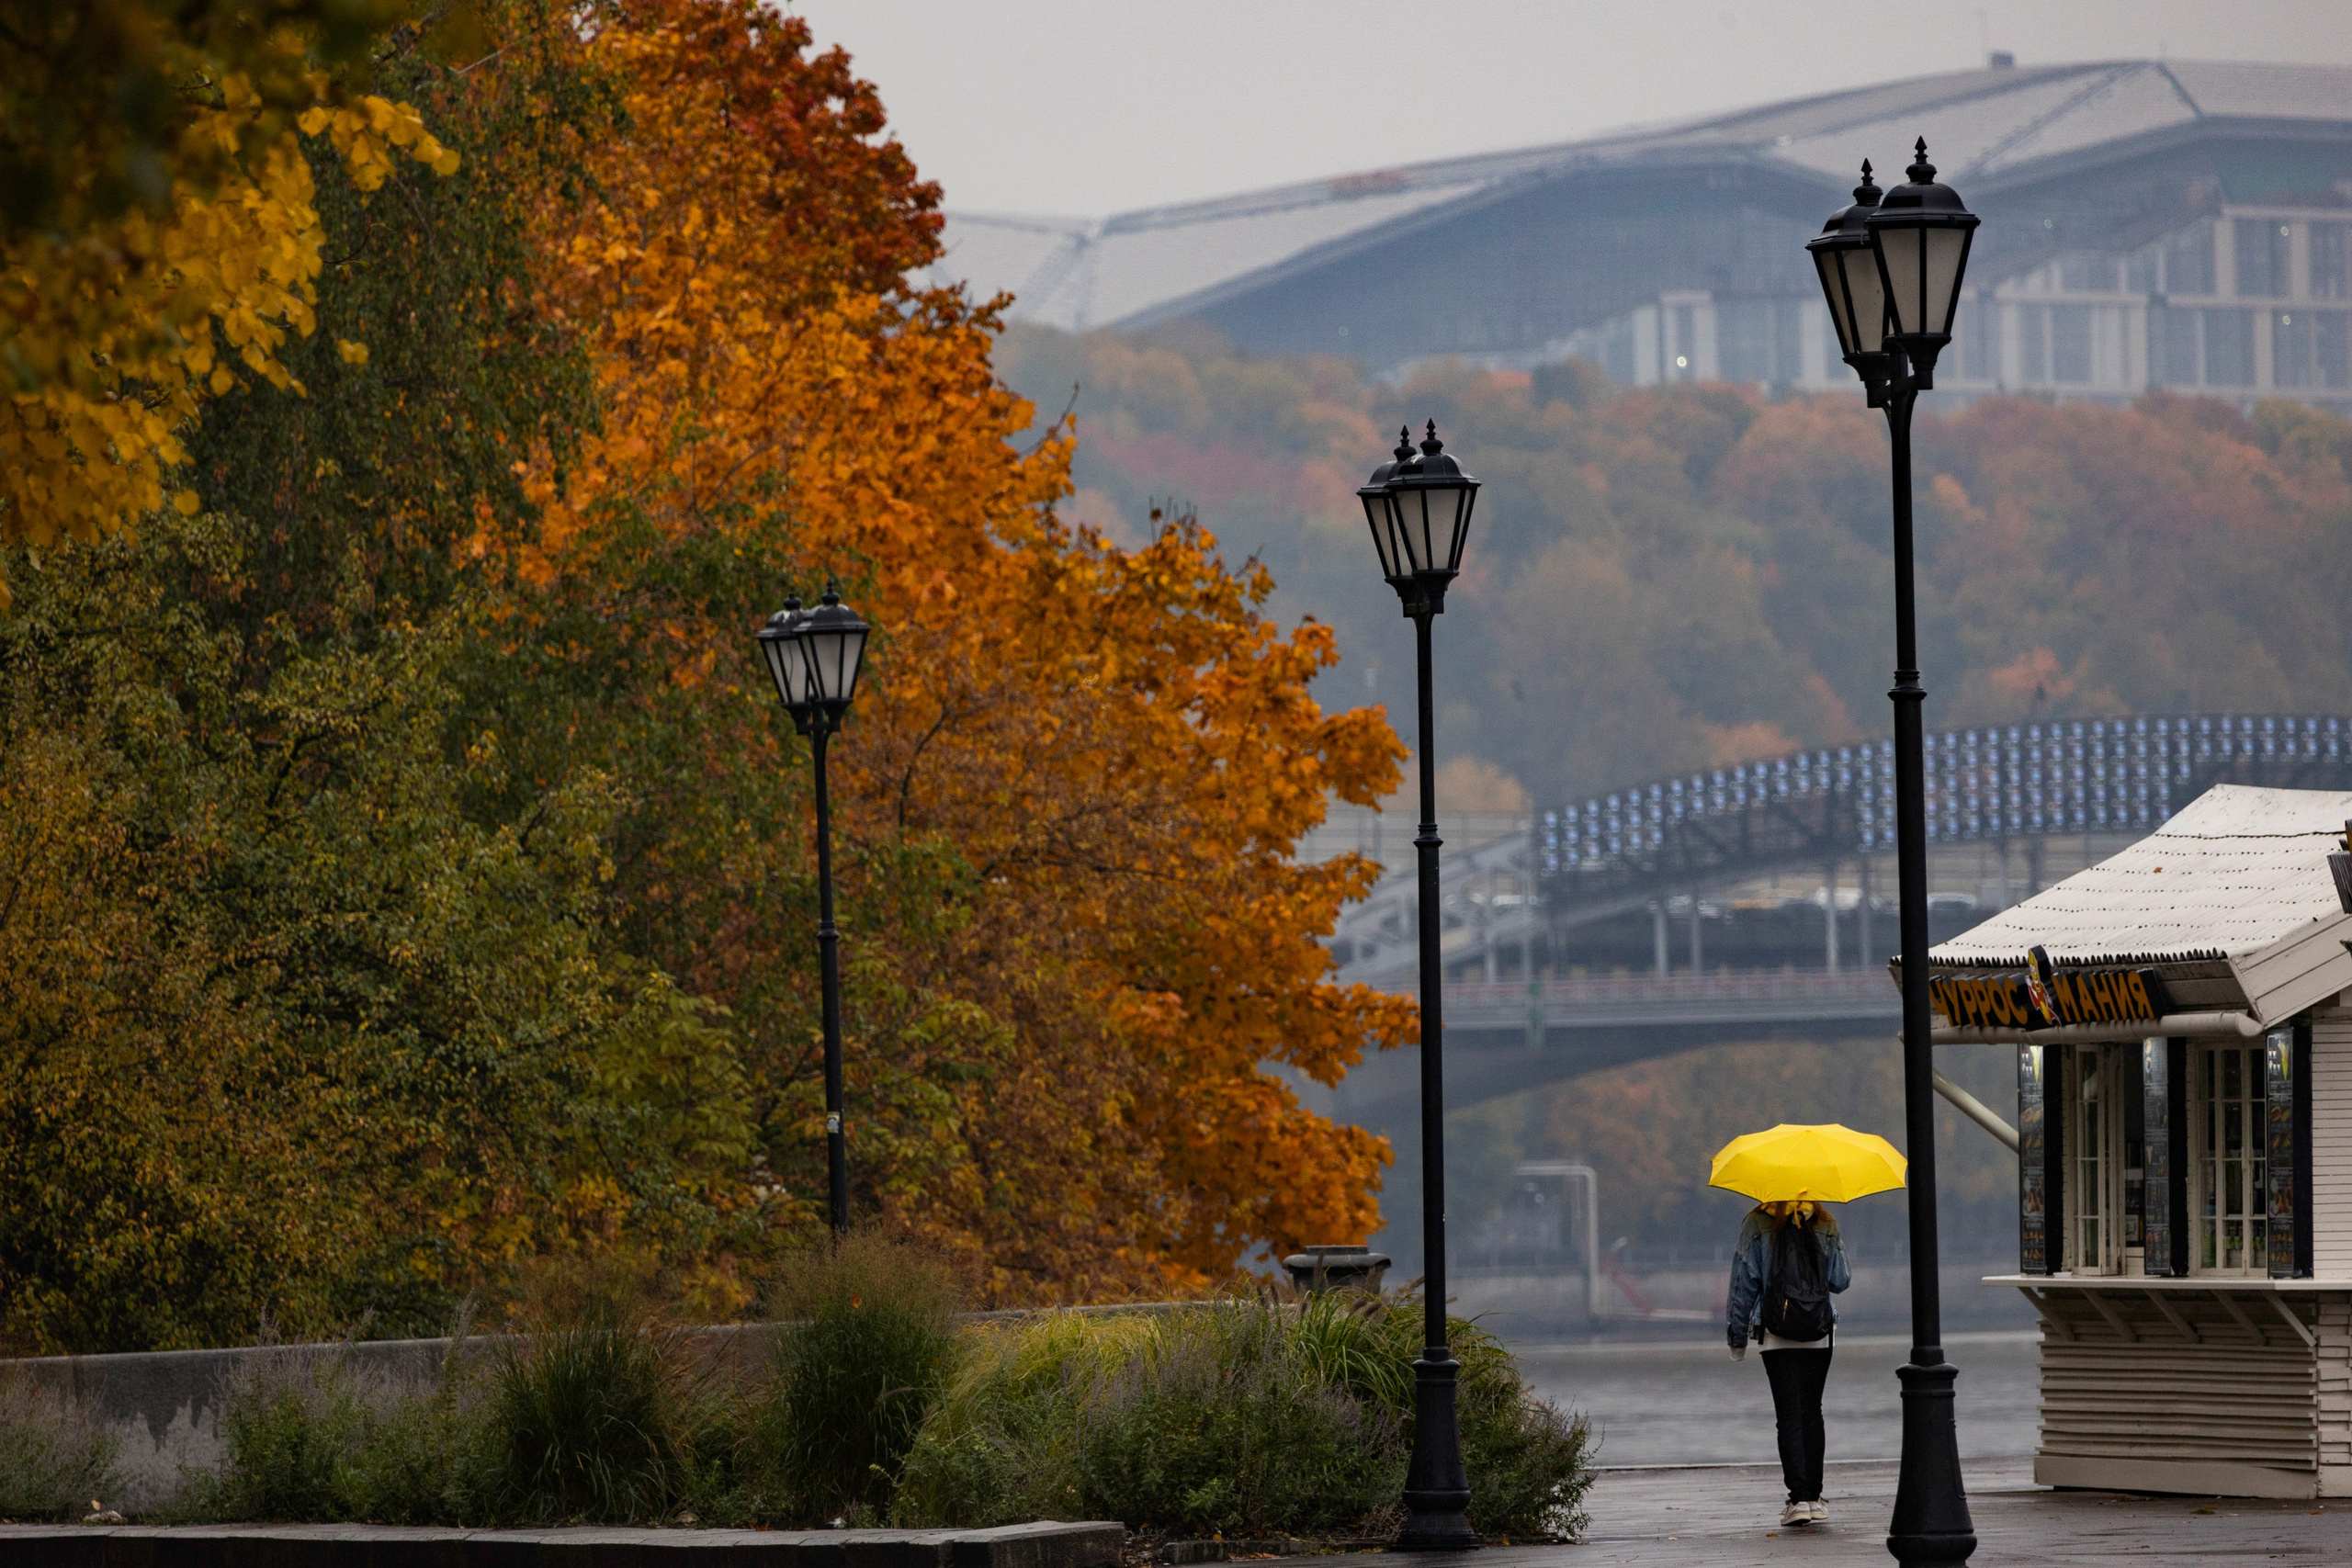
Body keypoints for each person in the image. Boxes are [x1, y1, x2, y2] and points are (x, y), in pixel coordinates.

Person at [1725, 1197, 1851, 1528]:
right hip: (1818, 1332)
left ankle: (1797, 1500)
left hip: (1776, 1334)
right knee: (1813, 1411)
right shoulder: (1825, 1222)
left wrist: (1737, 1339)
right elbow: (1841, 1279)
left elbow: (1743, 1286)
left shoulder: (1756, 1223)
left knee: (1789, 1415)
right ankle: (1814, 1497)